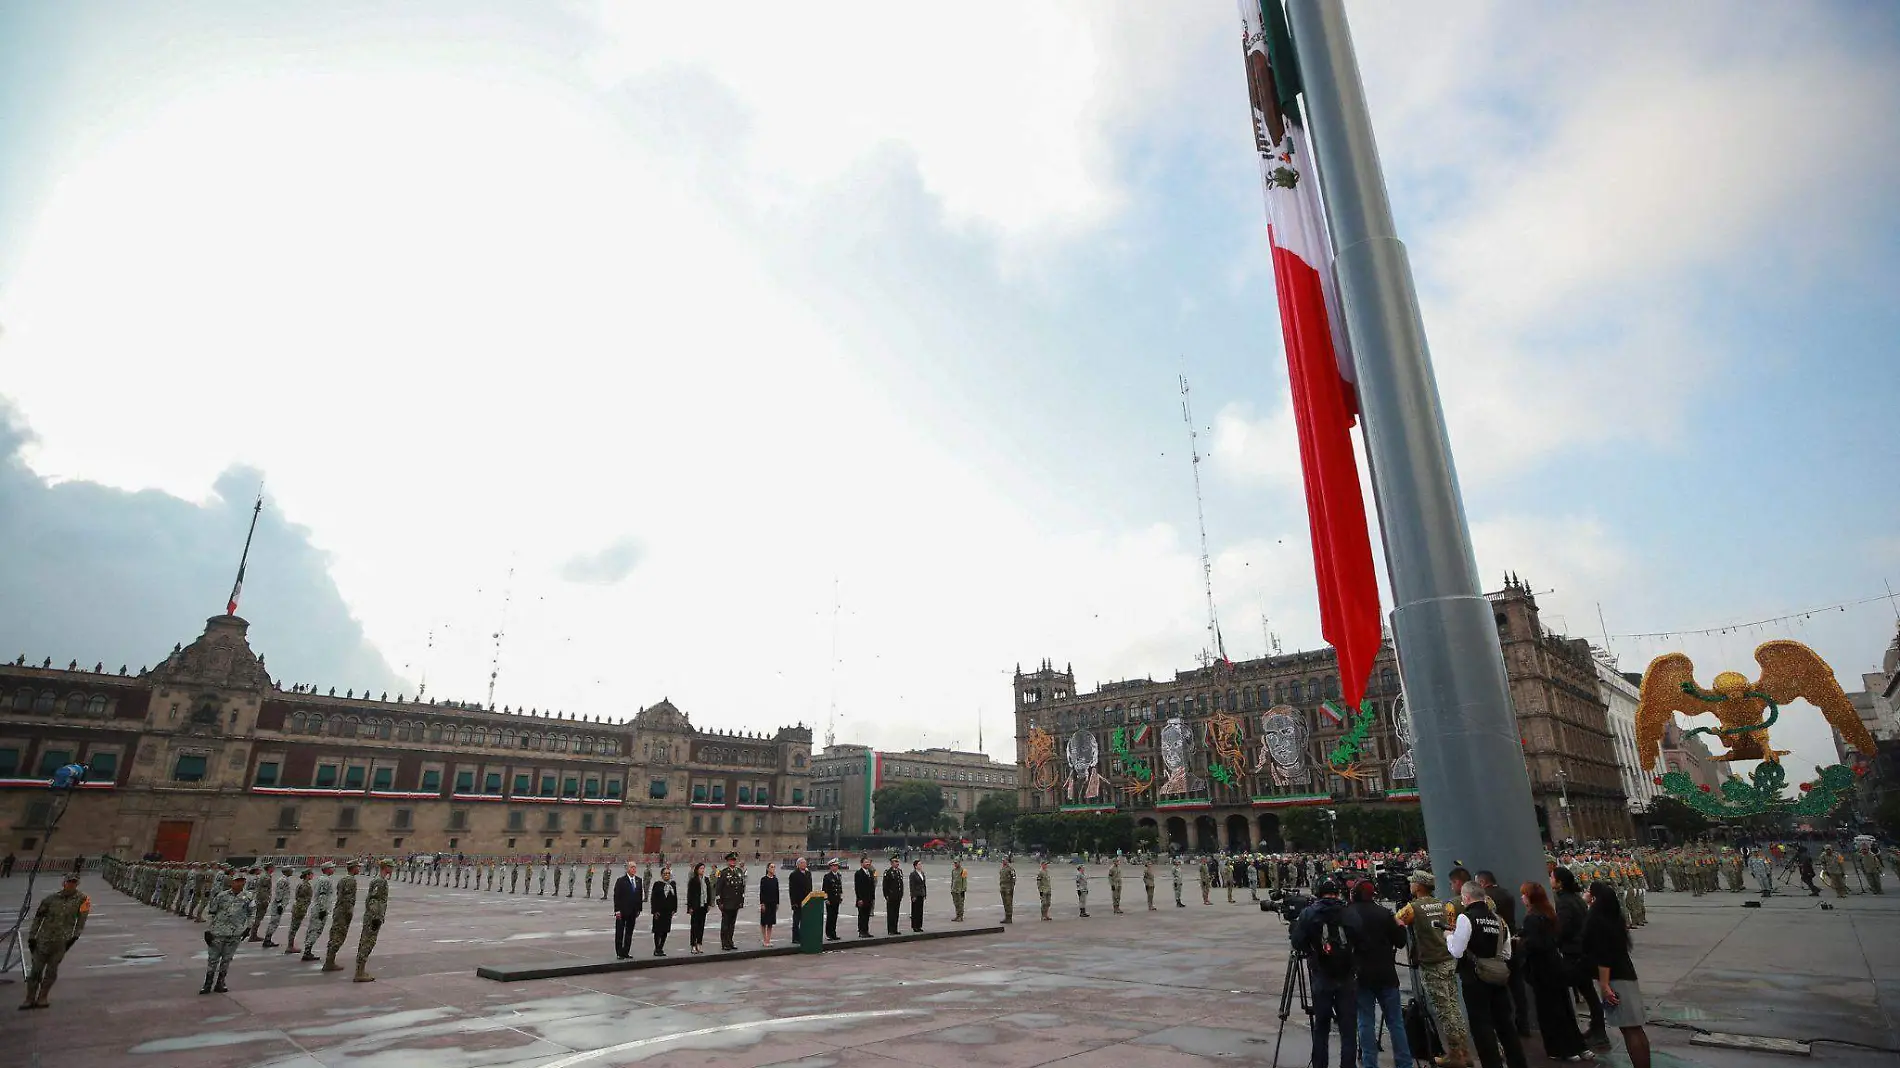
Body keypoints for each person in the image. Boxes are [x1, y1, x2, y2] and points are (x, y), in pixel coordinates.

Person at [1396, 870, 1470, 1068]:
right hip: (1448, 959)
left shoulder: (1413, 908)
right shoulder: (1443, 904)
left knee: (1444, 1011)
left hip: (1431, 963)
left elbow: (1397, 921)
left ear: (1418, 887)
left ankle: (1455, 1055)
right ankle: (1464, 1051)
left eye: (1412, 883)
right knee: (1454, 1007)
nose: (1410, 885)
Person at [1453, 881, 1527, 1068]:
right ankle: (1518, 1063)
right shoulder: (1498, 919)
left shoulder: (1465, 918)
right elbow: (1507, 953)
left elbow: (1457, 951)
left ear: (1466, 897)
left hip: (1475, 979)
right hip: (1499, 977)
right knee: (1505, 1025)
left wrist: (1448, 937)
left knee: (1481, 1026)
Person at [1342, 879, 1411, 1068]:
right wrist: (1399, 925)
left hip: (1361, 974)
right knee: (1395, 1022)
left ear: (1354, 894)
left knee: (1365, 1021)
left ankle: (1369, 1063)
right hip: (1386, 974)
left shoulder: (1348, 914)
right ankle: (1404, 1063)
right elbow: (1400, 942)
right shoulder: (1384, 913)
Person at [1519, 882, 1591, 1062]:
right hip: (1555, 965)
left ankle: (1561, 1049)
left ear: (1529, 897)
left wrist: (1520, 943)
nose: (1521, 898)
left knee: (1549, 1012)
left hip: (1542, 969)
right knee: (1564, 1008)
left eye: (1524, 894)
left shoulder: (1531, 918)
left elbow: (1534, 944)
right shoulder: (1549, 913)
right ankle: (1578, 1046)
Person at [1291, 879, 1359, 1068]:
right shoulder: (1349, 911)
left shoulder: (1309, 913)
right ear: (1337, 893)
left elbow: (1297, 943)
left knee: (1321, 1027)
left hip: (1321, 974)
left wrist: (1313, 951)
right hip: (1346, 976)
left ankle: (1320, 1065)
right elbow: (1361, 938)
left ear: (1319, 893)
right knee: (1348, 1029)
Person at [1583, 882, 1649, 1068]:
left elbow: (1604, 956)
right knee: (1634, 1028)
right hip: (1626, 974)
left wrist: (1604, 985)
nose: (1585, 893)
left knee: (1629, 1029)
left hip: (1614, 978)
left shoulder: (1596, 921)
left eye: (1589, 891)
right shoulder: (1614, 918)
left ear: (1595, 898)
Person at [1551, 867, 1608, 1049]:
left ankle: (1596, 1032)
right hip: (1583, 950)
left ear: (1560, 882)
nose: (1550, 879)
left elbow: (1563, 929)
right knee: (1589, 993)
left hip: (1574, 953)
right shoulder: (1575, 898)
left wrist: (1554, 939)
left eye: (1552, 877)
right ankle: (1597, 1028)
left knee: (1570, 989)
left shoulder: (1565, 902)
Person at [1476, 870, 1531, 1041]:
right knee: (1517, 987)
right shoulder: (1507, 894)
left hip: (1498, 946)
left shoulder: (1487, 898)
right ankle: (1524, 1024)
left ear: (1483, 882)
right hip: (1513, 942)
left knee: (1499, 988)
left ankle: (1503, 1025)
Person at [19, 873, 88, 1010]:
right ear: (64, 883)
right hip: (43, 940)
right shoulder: (50, 899)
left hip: (61, 942)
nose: (71, 885)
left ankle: (43, 997)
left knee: (51, 971)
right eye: (69, 882)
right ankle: (29, 998)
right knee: (36, 971)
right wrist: (32, 936)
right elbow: (38, 918)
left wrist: (74, 937)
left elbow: (81, 921)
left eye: (74, 882)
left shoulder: (83, 900)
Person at [354, 860, 392, 982]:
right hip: (373, 917)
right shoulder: (380, 881)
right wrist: (376, 917)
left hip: (373, 916)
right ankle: (359, 973)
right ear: (385, 867)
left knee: (367, 942)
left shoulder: (380, 880)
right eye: (391, 866)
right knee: (367, 942)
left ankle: (360, 970)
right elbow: (374, 900)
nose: (393, 868)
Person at [322, 861, 360, 973]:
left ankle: (329, 961)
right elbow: (347, 898)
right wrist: (349, 912)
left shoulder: (343, 879)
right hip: (343, 912)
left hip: (339, 910)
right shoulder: (351, 880)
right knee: (338, 936)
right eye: (358, 867)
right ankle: (329, 962)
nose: (359, 869)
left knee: (334, 935)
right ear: (354, 868)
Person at [302, 861, 336, 962]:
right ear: (327, 869)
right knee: (316, 930)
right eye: (332, 868)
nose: (333, 869)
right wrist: (322, 909)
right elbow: (322, 895)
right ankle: (307, 951)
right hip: (320, 908)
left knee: (313, 929)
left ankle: (307, 950)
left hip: (318, 907)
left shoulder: (322, 879)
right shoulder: (325, 880)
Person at [613, 861, 644, 959]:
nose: (634, 869)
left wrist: (639, 909)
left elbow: (639, 895)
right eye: (632, 867)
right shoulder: (621, 881)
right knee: (620, 932)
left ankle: (626, 951)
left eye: (635, 867)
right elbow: (617, 896)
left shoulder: (639, 880)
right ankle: (619, 953)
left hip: (633, 911)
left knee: (629, 932)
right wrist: (617, 910)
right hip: (622, 911)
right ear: (627, 869)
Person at [649, 865, 678, 956]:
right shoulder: (657, 884)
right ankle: (656, 948)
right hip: (659, 912)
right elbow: (653, 898)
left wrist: (674, 909)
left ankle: (661, 948)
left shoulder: (672, 884)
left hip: (668, 911)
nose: (666, 875)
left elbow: (675, 897)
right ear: (661, 875)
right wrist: (654, 911)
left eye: (668, 873)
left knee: (665, 930)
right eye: (665, 873)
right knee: (658, 931)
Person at [261, 865, 293, 948]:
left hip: (281, 904)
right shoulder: (283, 880)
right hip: (279, 904)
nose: (292, 871)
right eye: (291, 870)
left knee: (275, 922)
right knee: (274, 922)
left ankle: (268, 939)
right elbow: (279, 892)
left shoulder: (285, 879)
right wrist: (279, 904)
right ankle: (267, 940)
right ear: (287, 871)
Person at [284, 869, 315, 954]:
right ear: (307, 875)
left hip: (298, 907)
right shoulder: (305, 885)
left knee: (293, 927)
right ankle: (290, 946)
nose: (312, 876)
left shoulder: (302, 884)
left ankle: (290, 945)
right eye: (311, 874)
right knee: (294, 927)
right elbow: (305, 898)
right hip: (300, 908)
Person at [686, 861, 712, 954]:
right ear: (697, 870)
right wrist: (690, 907)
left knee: (701, 926)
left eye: (703, 868)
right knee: (694, 926)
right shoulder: (693, 880)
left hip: (703, 906)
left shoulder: (706, 880)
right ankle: (693, 945)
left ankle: (699, 944)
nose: (702, 870)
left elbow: (709, 892)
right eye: (701, 868)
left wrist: (709, 904)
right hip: (695, 906)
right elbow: (690, 894)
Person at [788, 858, 813, 942]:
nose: (804, 864)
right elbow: (792, 890)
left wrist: (811, 899)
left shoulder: (808, 874)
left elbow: (810, 887)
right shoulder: (794, 874)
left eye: (805, 863)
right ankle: (795, 938)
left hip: (807, 901)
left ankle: (804, 936)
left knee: (805, 921)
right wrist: (793, 903)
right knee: (796, 921)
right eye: (802, 863)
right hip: (798, 902)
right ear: (798, 865)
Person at [759, 862, 781, 946]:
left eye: (774, 867)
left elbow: (777, 892)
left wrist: (777, 903)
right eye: (771, 867)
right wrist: (762, 903)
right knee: (764, 922)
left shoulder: (775, 879)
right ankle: (764, 940)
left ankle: (768, 939)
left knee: (770, 923)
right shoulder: (763, 879)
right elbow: (762, 892)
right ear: (767, 869)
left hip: (773, 903)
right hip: (765, 903)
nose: (773, 868)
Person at [822, 858, 844, 940]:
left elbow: (839, 887)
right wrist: (826, 899)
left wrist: (840, 896)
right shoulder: (827, 877)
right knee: (830, 917)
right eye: (834, 866)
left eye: (836, 866)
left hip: (836, 899)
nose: (836, 867)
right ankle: (829, 934)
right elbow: (824, 889)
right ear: (830, 867)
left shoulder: (839, 875)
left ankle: (833, 933)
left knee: (835, 917)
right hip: (830, 900)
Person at [854, 857, 877, 937]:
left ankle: (866, 931)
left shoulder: (870, 872)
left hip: (869, 898)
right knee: (861, 916)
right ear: (861, 863)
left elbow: (872, 886)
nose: (867, 863)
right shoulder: (858, 873)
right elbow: (857, 887)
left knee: (867, 916)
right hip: (862, 899)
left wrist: (873, 897)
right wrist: (859, 899)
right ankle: (861, 932)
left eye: (868, 862)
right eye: (865, 862)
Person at [881, 857, 905, 935]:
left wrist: (901, 894)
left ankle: (895, 929)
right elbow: (885, 885)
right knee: (891, 913)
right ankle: (890, 930)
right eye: (895, 862)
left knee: (896, 913)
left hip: (898, 896)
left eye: (897, 862)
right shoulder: (888, 872)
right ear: (891, 863)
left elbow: (901, 884)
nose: (897, 863)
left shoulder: (899, 871)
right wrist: (886, 895)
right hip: (891, 896)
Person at [909, 859, 927, 932]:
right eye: (919, 864)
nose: (920, 865)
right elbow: (912, 885)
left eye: (921, 864)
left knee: (920, 911)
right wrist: (913, 895)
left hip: (921, 894)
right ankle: (915, 926)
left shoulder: (922, 873)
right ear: (915, 866)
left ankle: (919, 925)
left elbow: (924, 885)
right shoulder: (913, 874)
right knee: (915, 911)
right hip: (916, 894)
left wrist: (925, 893)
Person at [998, 857, 1016, 923]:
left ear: (1007, 861)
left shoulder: (1010, 869)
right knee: (1005, 903)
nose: (1003, 861)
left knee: (1009, 903)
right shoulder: (1002, 868)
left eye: (1004, 860)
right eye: (1002, 860)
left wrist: (1012, 887)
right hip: (1002, 887)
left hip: (1008, 888)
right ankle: (1006, 917)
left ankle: (1009, 918)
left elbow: (1013, 878)